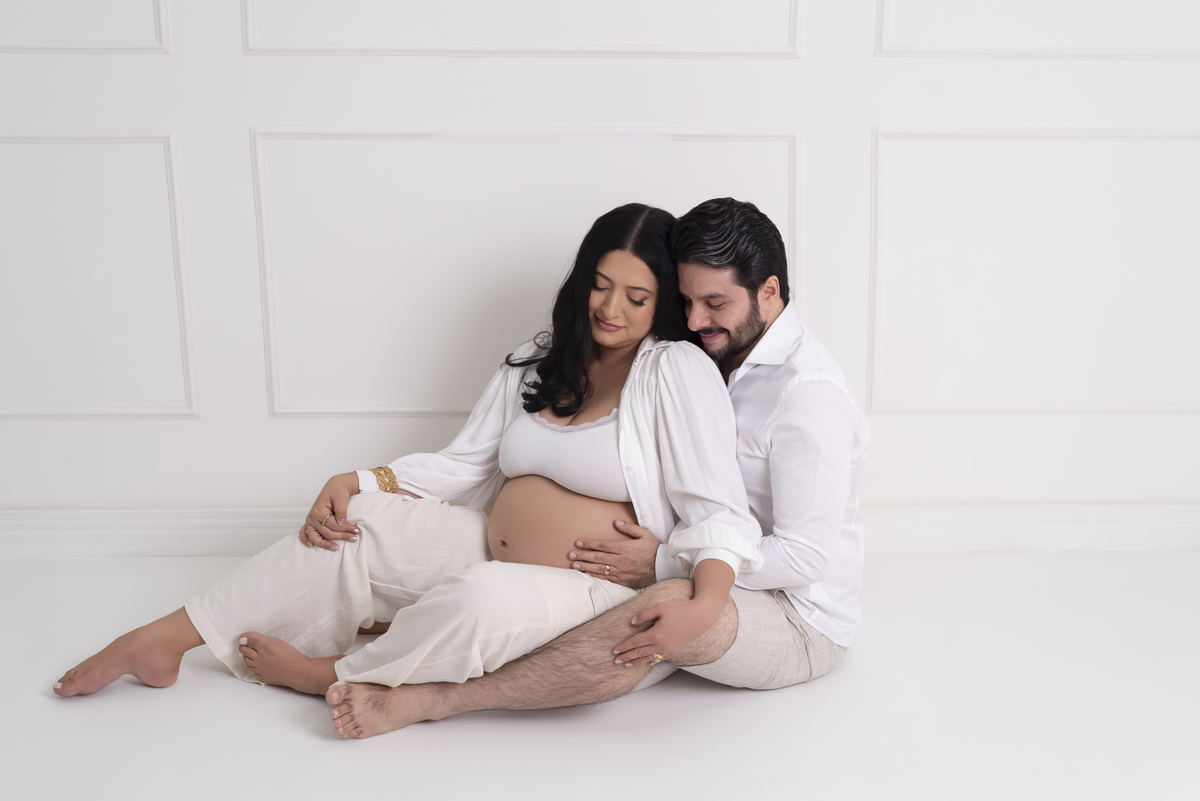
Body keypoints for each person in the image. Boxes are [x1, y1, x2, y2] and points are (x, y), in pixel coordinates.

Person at [52, 203, 763, 715]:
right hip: (488, 541)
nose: (611, 308)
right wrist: (359, 479)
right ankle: (162, 639)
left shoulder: (675, 371)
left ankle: (334, 671)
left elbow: (717, 508)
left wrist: (701, 598)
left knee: (480, 599)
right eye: (600, 285)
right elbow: (465, 463)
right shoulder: (541, 357)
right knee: (360, 521)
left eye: (637, 297)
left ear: (662, 303)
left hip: (595, 589)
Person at [320, 197, 870, 739]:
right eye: (686, 301)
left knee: (662, 604)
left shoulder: (806, 395)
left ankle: (437, 697)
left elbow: (806, 555)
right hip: (708, 567)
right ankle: (422, 639)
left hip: (796, 615)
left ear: (768, 290)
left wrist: (665, 562)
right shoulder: (712, 352)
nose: (694, 320)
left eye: (714, 303)